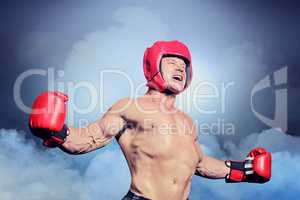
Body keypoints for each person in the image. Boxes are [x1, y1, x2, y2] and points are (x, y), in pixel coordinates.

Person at [29, 41, 271, 200]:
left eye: (184, 65)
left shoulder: (187, 122)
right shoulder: (129, 107)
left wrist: (244, 170)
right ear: (154, 66)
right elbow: (89, 139)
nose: (180, 68)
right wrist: (57, 131)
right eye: (172, 62)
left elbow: (198, 164)